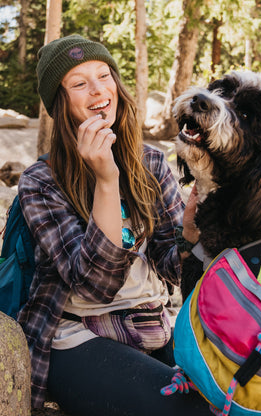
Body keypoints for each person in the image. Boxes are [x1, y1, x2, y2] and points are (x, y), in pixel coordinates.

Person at [17, 34, 211, 416]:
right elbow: (95, 285)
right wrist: (106, 181)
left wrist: (190, 236)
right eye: (78, 83)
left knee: (226, 397)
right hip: (74, 335)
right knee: (187, 411)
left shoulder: (151, 164)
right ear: (61, 104)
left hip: (151, 326)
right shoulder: (41, 182)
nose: (97, 91)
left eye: (103, 75)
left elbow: (174, 269)